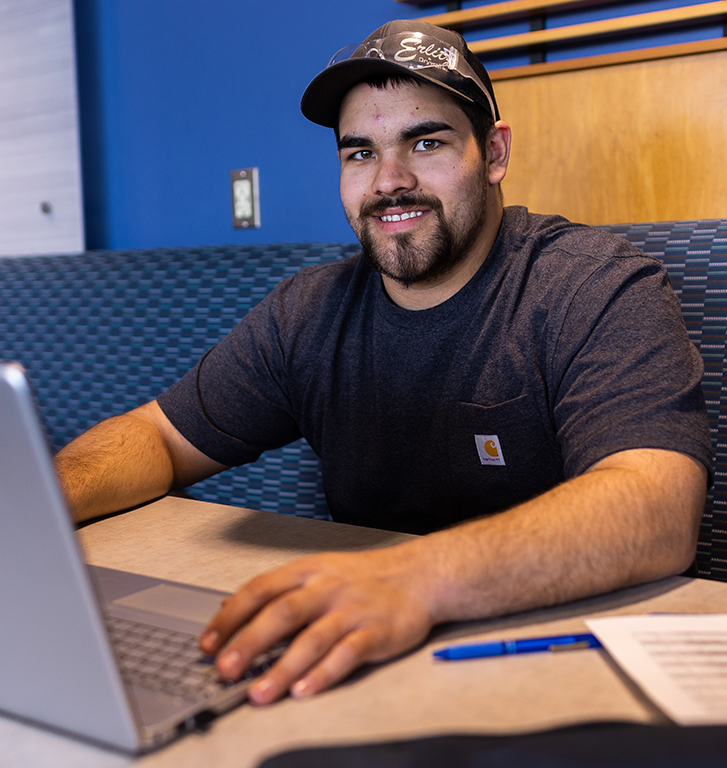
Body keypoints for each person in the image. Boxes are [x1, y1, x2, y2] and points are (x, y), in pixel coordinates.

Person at [55, 20, 712, 706]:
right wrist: (37, 502)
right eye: (360, 153)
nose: (389, 183)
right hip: (359, 658)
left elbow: (657, 504)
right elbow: (156, 436)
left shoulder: (593, 284)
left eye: (426, 143)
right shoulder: (306, 312)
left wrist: (413, 578)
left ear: (493, 153)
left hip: (558, 667)